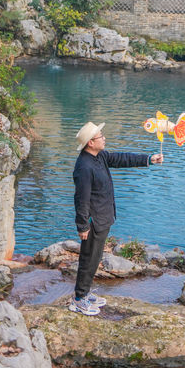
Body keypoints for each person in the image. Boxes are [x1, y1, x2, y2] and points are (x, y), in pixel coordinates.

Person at [69, 120, 163, 315]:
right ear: (90, 143)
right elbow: (81, 198)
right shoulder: (84, 167)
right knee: (88, 258)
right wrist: (83, 226)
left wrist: (148, 159)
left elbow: (120, 159)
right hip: (94, 221)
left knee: (95, 258)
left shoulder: (99, 156)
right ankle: (78, 299)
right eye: (100, 137)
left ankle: (85, 293)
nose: (104, 138)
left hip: (104, 217)